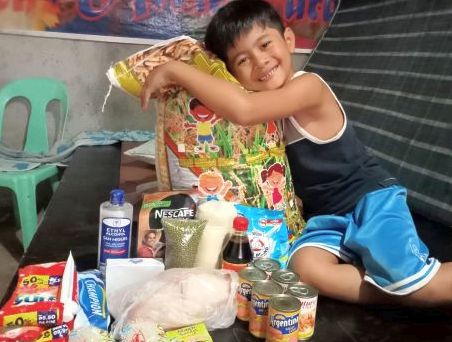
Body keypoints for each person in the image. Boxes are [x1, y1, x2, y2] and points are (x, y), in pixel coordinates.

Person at [140, 0, 452, 306]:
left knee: (417, 285)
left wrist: (175, 71)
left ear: (288, 40)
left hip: (369, 201)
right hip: (327, 218)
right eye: (243, 60)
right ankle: (394, 289)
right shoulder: (270, 108)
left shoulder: (309, 87)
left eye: (264, 44)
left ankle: (408, 287)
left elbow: (244, 109)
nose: (260, 61)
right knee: (304, 270)